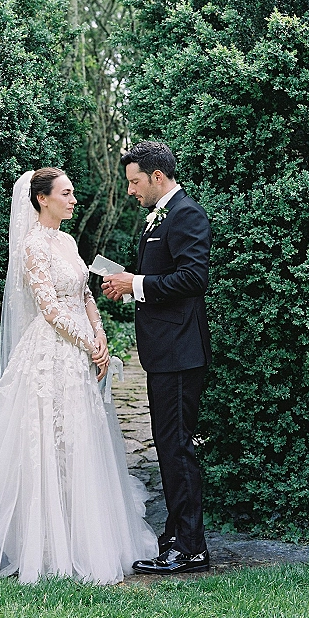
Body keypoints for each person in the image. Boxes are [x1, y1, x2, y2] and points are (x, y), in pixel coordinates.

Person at [0, 167, 157, 584]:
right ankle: (45, 541)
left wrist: (100, 336)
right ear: (43, 199)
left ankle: (85, 533)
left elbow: (83, 295)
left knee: (81, 440)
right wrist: (85, 341)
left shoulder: (68, 241)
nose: (74, 200)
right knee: (48, 439)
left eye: (73, 193)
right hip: (52, 352)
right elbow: (50, 308)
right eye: (67, 193)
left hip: (80, 349)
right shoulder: (33, 245)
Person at [102, 141, 212, 575]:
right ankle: (177, 537)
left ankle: (190, 549)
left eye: (134, 182)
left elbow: (193, 277)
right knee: (170, 447)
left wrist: (137, 284)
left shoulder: (186, 214)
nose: (131, 191)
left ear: (157, 178)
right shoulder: (160, 216)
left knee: (177, 448)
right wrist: (131, 283)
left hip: (181, 351)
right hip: (166, 351)